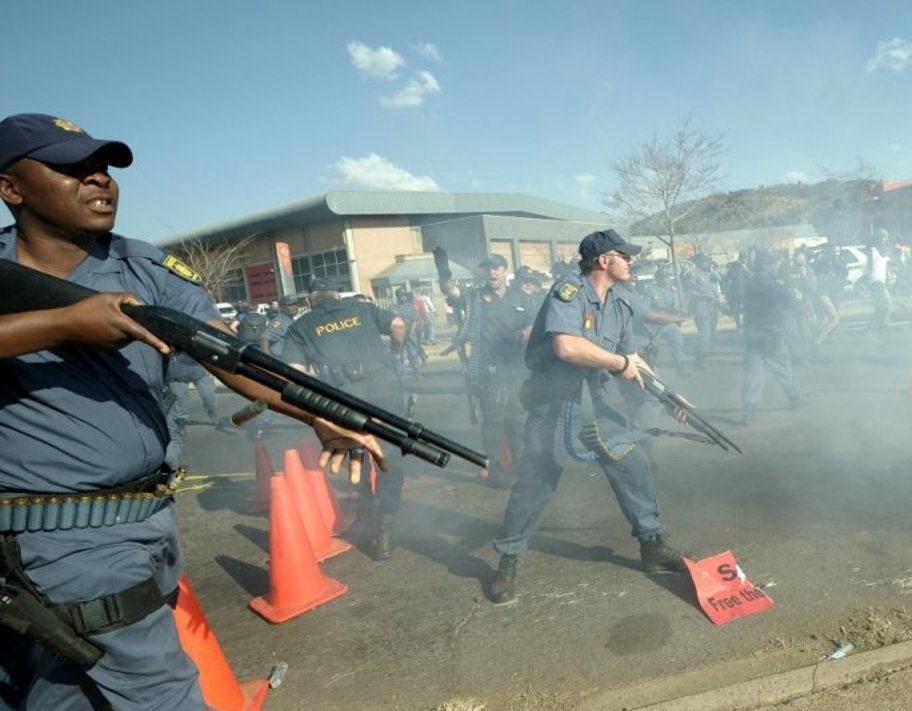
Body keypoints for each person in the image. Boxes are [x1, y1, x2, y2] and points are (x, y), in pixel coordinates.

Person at [0, 113, 382, 710]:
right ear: (11, 188)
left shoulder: (142, 265)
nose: (98, 180)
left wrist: (317, 411)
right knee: (165, 695)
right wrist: (61, 324)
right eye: (72, 168)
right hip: (62, 539)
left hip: (146, 525)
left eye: (103, 168)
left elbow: (226, 352)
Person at [488, 230, 691, 603]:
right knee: (537, 480)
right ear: (603, 260)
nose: (631, 261)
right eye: (625, 256)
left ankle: (652, 545)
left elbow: (635, 361)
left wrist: (668, 397)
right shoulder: (567, 292)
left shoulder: (619, 304)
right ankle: (509, 558)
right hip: (555, 403)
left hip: (595, 403)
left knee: (633, 464)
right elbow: (567, 347)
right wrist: (620, 363)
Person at [282, 278, 409, 560]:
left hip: (342, 398)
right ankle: (386, 522)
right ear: (337, 295)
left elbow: (295, 371)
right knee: (388, 454)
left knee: (355, 455)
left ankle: (367, 506)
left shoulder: (300, 327)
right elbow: (398, 325)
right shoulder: (362, 309)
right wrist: (396, 353)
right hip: (384, 390)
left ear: (310, 299)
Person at [447, 255, 536, 488]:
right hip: (489, 369)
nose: (492, 273)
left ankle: (519, 469)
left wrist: (522, 333)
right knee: (494, 421)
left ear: (506, 271)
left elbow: (533, 321)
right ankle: (496, 472)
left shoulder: (522, 297)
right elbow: (453, 292)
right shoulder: (475, 296)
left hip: (517, 366)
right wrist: (443, 272)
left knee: (517, 419)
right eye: (488, 269)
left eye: (496, 269)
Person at [740, 251, 805, 425]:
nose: (777, 266)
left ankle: (749, 411)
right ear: (765, 266)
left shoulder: (748, 282)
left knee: (753, 374)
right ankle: (795, 397)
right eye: (774, 263)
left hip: (753, 335)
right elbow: (792, 302)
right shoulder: (773, 285)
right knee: (783, 368)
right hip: (771, 334)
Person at [683, 254, 721, 368]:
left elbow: (717, 285)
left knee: (710, 335)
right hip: (701, 307)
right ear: (699, 262)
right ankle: (700, 361)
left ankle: (704, 359)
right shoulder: (694, 274)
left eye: (709, 261)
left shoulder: (710, 273)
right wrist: (704, 296)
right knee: (704, 334)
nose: (709, 263)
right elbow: (689, 292)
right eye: (706, 261)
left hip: (712, 307)